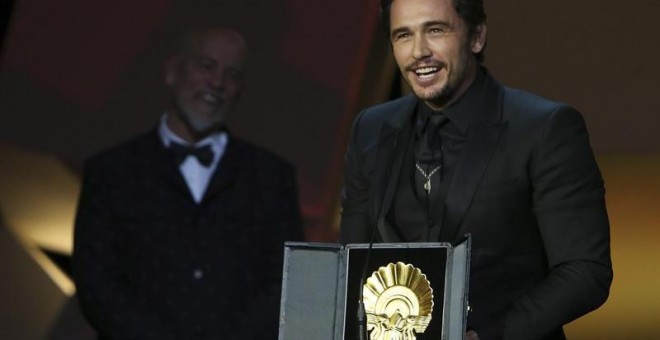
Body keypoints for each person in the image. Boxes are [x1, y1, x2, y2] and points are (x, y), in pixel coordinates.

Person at [339, 0, 612, 339]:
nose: (418, 51)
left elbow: (585, 271)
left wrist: (484, 336)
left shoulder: (544, 129)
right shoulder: (371, 129)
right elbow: (349, 264)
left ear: (477, 36)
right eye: (403, 35)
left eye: (435, 30)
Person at [72, 27, 302, 339]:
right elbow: (96, 284)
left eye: (231, 74)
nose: (217, 83)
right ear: (171, 72)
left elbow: (286, 281)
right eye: (206, 66)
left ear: (241, 90)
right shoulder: (112, 171)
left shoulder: (272, 177)